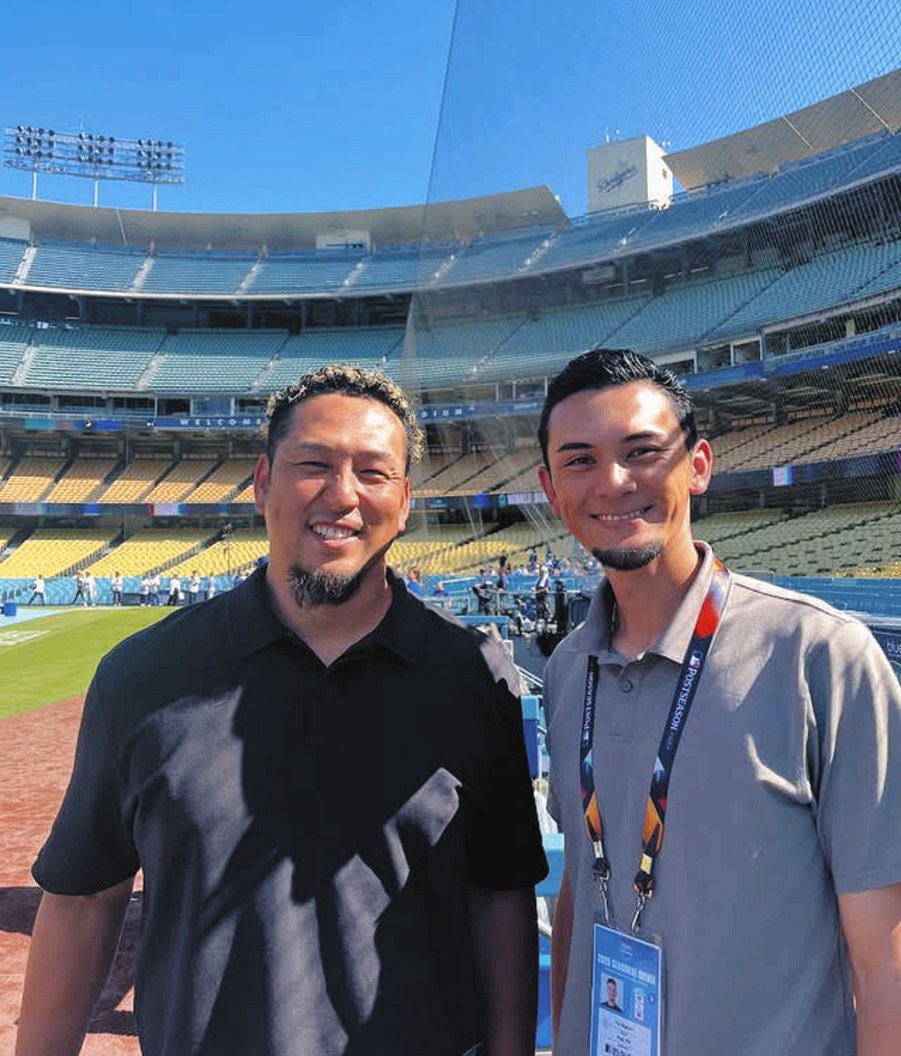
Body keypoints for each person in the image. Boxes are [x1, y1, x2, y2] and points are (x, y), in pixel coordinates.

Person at [20, 364, 547, 1056]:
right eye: (314, 465)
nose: (342, 495)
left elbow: (498, 897)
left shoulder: (473, 679)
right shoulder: (143, 677)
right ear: (264, 481)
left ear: (406, 499)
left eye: (373, 472)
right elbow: (84, 900)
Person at [538, 348, 901, 1056]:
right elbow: (580, 898)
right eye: (579, 460)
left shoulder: (818, 655)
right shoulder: (563, 672)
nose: (613, 482)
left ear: (697, 465)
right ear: (551, 490)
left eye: (641, 451)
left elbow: (884, 953)